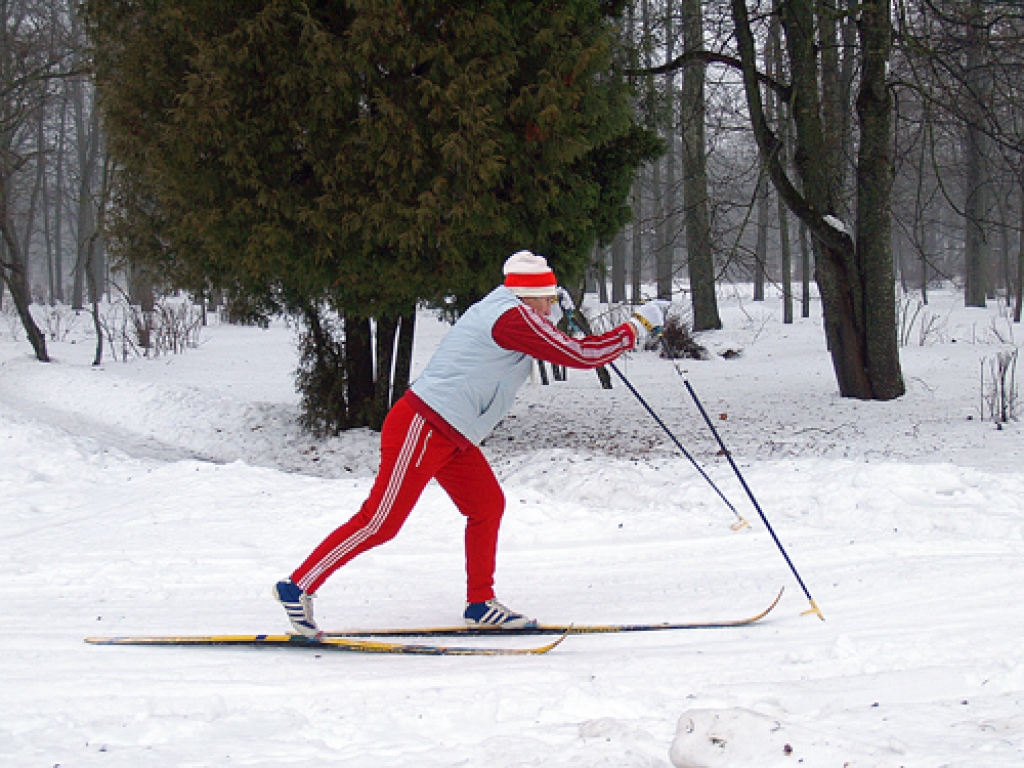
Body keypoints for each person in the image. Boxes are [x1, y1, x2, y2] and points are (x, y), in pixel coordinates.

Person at [274, 250, 665, 636]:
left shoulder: (510, 309)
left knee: (486, 505)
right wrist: (636, 327)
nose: (552, 306)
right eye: (548, 298)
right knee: (381, 522)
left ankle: (481, 604)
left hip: (452, 432)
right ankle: (298, 586)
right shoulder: (512, 317)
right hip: (424, 425)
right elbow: (580, 355)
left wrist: (572, 322)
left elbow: (555, 341)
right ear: (530, 295)